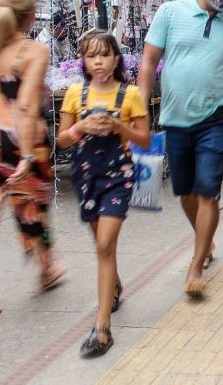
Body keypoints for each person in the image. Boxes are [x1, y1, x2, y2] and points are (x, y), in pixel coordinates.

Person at [138, 0, 223, 297]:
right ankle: (206, 239)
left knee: (207, 193)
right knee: (185, 192)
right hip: (174, 118)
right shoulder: (170, 13)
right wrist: (139, 107)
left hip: (216, 118)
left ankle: (196, 264)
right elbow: (149, 61)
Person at [57, 32, 150, 356]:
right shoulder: (74, 94)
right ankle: (115, 285)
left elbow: (145, 140)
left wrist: (118, 127)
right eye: (91, 56)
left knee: (104, 244)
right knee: (102, 246)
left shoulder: (131, 94)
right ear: (83, 60)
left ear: (116, 59)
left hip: (117, 177)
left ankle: (102, 328)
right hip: (86, 177)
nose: (98, 62)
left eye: (104, 55)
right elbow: (62, 141)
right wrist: (80, 128)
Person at [0, 0, 67, 325]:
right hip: (23, 141)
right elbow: (28, 105)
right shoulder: (32, 51)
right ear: (32, 16)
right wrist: (27, 156)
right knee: (33, 206)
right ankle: (46, 268)